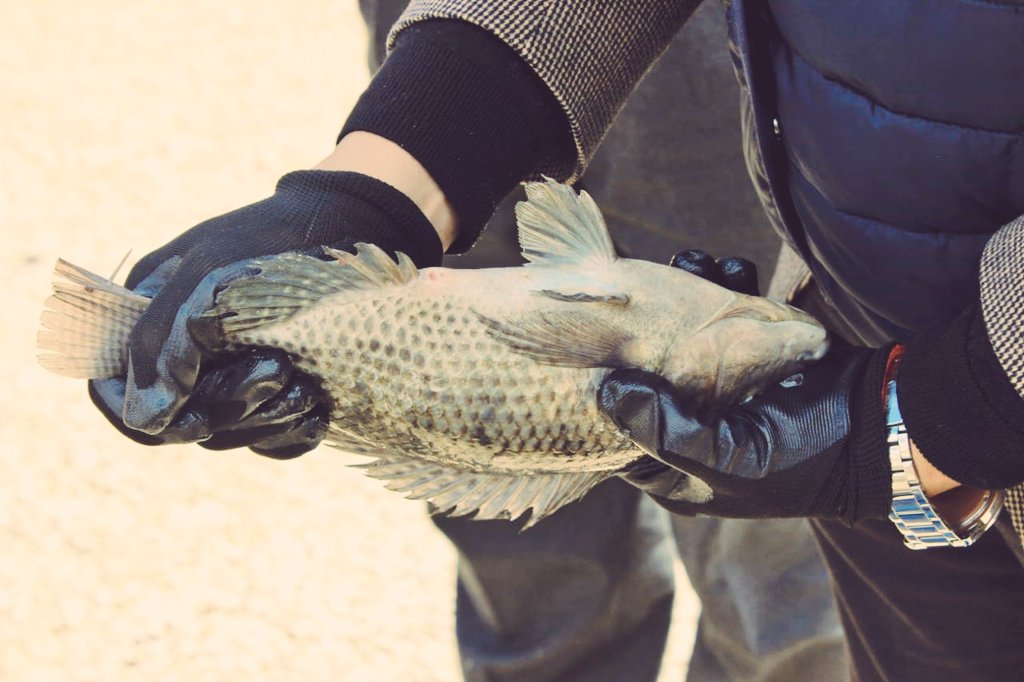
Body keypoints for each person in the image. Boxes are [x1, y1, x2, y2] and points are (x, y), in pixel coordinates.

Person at [87, 2, 1024, 681]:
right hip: (892, 389)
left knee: (780, 618)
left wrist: (954, 407)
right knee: (543, 598)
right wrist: (377, 179)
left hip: (919, 407)